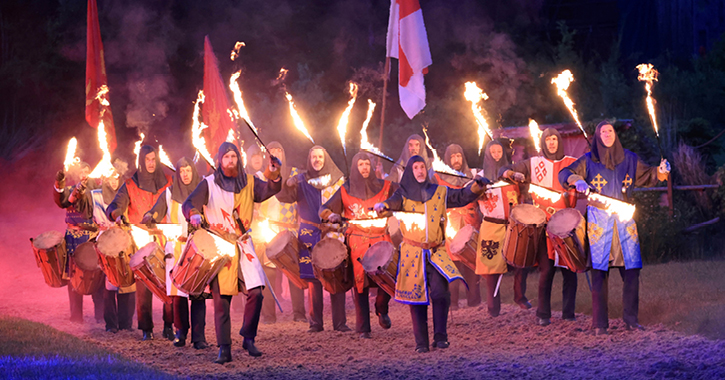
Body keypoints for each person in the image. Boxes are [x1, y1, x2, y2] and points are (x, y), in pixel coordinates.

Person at [559, 120, 670, 335]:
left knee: (631, 270)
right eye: (602, 132)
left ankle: (631, 320)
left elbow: (648, 176)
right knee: (600, 272)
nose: (607, 134)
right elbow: (564, 173)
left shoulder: (629, 158)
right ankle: (600, 324)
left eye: (610, 131)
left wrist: (662, 171)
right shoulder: (588, 160)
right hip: (599, 222)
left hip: (625, 221)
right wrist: (576, 180)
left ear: (615, 134)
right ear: (597, 137)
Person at [373, 155, 486, 353]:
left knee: (440, 293)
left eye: (422, 167)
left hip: (436, 252)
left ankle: (441, 338)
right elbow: (389, 205)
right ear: (410, 171)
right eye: (415, 167)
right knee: (417, 299)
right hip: (412, 253)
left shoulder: (439, 192)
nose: (419, 170)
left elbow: (461, 196)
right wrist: (383, 208)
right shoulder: (402, 194)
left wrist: (476, 186)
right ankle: (421, 343)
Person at [183, 142, 281, 363]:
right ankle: (224, 348)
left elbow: (270, 189)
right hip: (220, 247)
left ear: (239, 159)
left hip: (243, 244)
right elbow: (189, 204)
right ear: (220, 160)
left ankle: (248, 338)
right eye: (226, 157)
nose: (230, 161)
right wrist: (194, 213)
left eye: (233, 157)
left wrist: (274, 173)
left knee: (255, 292)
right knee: (222, 300)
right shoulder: (208, 184)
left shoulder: (249, 182)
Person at [502, 128, 579, 326]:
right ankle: (543, 314)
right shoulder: (534, 163)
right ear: (543, 142)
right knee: (547, 269)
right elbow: (506, 171)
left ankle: (569, 313)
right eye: (548, 139)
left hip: (566, 224)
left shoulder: (571, 163)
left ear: (558, 141)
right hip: (544, 226)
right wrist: (512, 173)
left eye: (554, 139)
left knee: (570, 270)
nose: (551, 142)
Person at [319, 152, 396, 339]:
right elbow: (323, 209)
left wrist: (390, 205)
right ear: (355, 167)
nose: (364, 168)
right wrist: (331, 215)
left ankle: (381, 308)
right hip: (357, 241)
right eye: (360, 164)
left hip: (381, 238)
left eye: (367, 164)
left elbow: (403, 197)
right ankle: (363, 328)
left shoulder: (386, 186)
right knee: (360, 284)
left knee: (387, 277)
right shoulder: (345, 190)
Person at [106, 145, 173, 341]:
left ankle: (169, 325)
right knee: (143, 287)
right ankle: (146, 328)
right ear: (141, 161)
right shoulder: (130, 185)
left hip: (164, 240)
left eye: (154, 159)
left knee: (168, 285)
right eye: (147, 160)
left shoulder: (169, 181)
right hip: (141, 243)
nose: (151, 163)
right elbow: (115, 205)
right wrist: (117, 215)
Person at [142, 157, 208, 349]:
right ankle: (180, 333)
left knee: (198, 294)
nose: (186, 174)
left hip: (198, 248)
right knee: (178, 295)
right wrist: (150, 216)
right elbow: (157, 211)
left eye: (188, 170)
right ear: (178, 173)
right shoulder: (169, 193)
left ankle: (199, 337)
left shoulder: (202, 191)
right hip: (177, 248)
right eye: (182, 171)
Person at [284, 146, 351, 333]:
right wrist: (286, 184)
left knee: (336, 275)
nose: (317, 160)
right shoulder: (301, 181)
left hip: (331, 231)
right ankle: (315, 323)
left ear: (326, 158)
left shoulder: (338, 180)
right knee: (314, 280)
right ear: (309, 159)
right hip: (308, 232)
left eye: (320, 156)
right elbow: (284, 196)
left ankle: (340, 323)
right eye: (313, 156)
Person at [475, 140, 530, 317]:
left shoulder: (512, 175)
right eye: (493, 151)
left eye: (499, 151)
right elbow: (471, 195)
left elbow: (522, 193)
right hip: (492, 225)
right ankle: (493, 306)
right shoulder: (480, 175)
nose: (497, 154)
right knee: (492, 268)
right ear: (487, 154)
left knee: (521, 262)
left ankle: (520, 297)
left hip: (513, 224)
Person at [431, 144, 482, 309]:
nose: (456, 160)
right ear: (447, 159)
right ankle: (453, 303)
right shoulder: (439, 178)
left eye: (459, 156)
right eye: (452, 157)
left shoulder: (473, 175)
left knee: (472, 263)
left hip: (470, 222)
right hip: (450, 223)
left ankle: (474, 302)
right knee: (453, 265)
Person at [261, 141, 308, 323]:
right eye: (272, 152)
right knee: (269, 273)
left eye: (279, 151)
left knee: (294, 271)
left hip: (290, 229)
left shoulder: (295, 174)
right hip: (269, 228)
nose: (275, 154)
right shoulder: (260, 176)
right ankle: (268, 315)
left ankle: (299, 313)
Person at [53, 162, 104, 324]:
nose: (83, 174)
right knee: (73, 276)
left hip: (92, 237)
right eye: (81, 171)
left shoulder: (96, 192)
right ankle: (76, 316)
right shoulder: (69, 191)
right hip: (73, 238)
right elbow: (62, 201)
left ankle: (101, 315)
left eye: (86, 171)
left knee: (97, 274)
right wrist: (58, 184)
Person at [90, 159, 136, 333]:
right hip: (106, 242)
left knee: (128, 282)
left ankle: (126, 323)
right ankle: (111, 323)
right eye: (111, 177)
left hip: (125, 241)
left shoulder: (127, 194)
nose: (114, 181)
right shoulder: (96, 195)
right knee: (110, 283)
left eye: (117, 177)